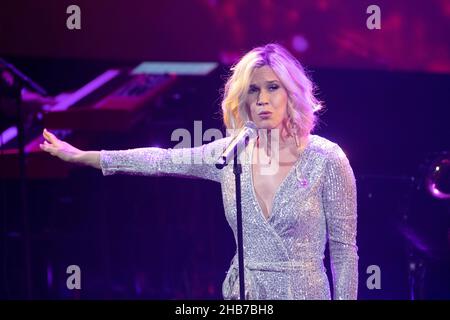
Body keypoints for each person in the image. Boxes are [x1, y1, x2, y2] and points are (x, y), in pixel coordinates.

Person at [39, 43, 358, 300]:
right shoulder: (230, 153)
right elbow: (159, 160)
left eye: (272, 87)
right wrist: (84, 157)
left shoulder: (326, 158)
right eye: (252, 90)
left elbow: (344, 252)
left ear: (291, 93)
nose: (262, 100)